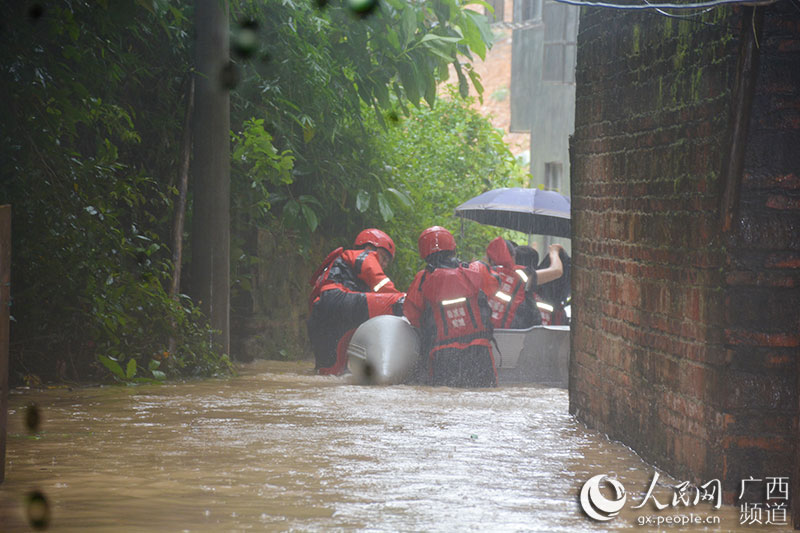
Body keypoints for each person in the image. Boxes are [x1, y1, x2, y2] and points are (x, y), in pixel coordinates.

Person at [403, 226, 497, 388]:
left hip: (443, 355)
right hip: (480, 353)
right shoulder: (475, 271)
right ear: (453, 247)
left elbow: (412, 315)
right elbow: (494, 289)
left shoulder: (423, 279)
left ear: (424, 253)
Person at [307, 229, 405, 375]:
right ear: (369, 247)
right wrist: (402, 299)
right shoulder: (363, 255)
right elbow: (379, 282)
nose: (384, 264)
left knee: (330, 373)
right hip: (338, 299)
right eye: (383, 257)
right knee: (400, 302)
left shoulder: (345, 267)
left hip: (319, 316)